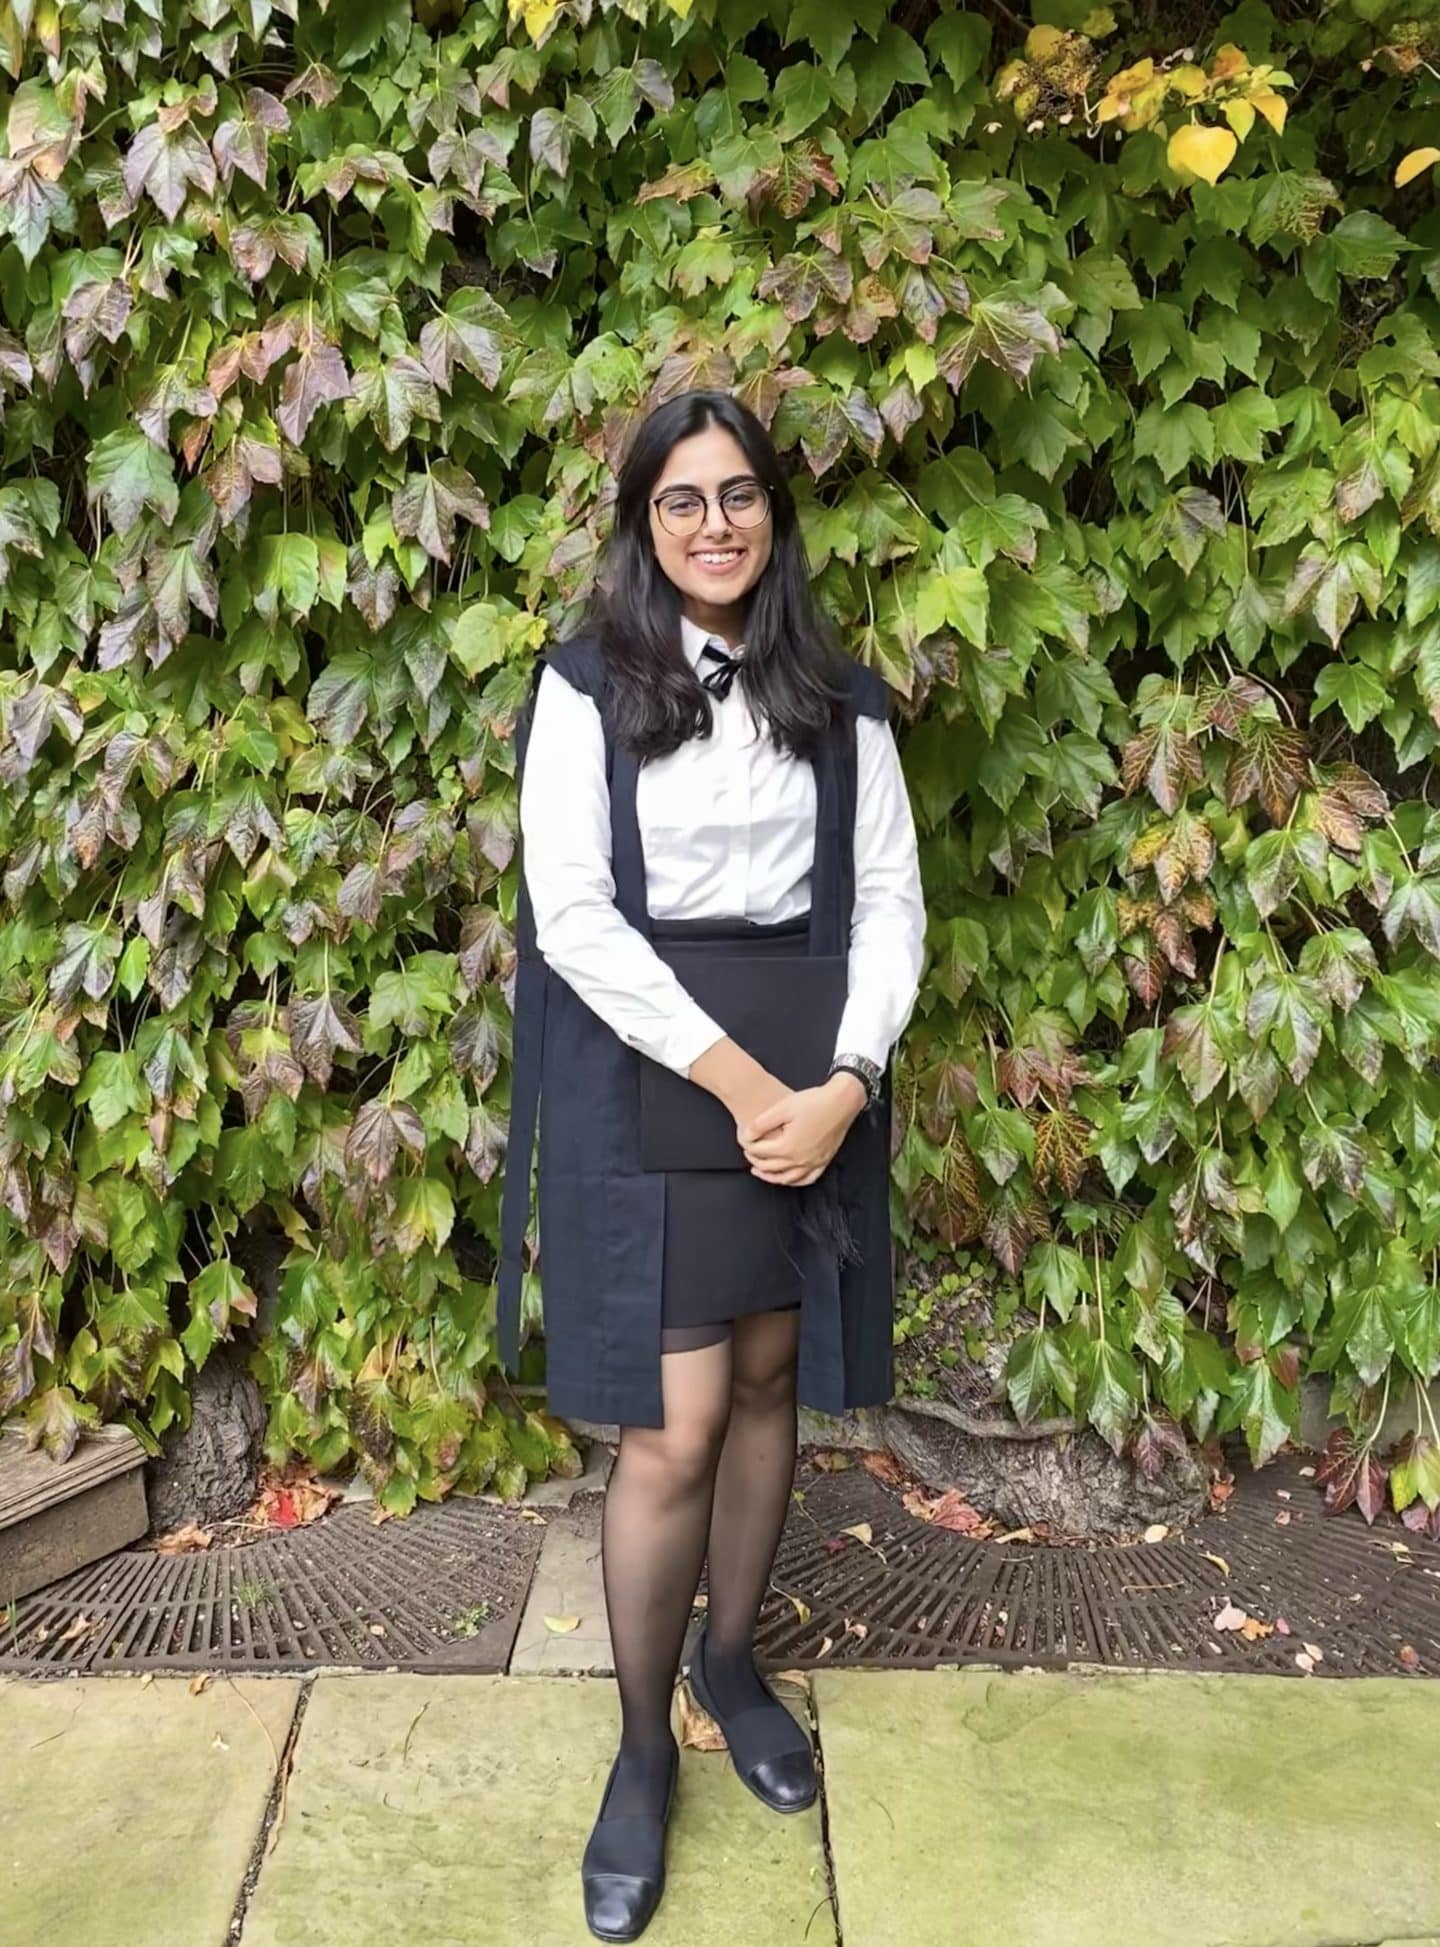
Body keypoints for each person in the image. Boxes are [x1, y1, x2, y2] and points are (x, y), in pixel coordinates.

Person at [498, 388, 925, 1941]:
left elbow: (890, 908)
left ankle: (729, 1665)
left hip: (813, 1090)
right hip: (657, 1078)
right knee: (670, 1430)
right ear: (643, 522)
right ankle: (634, 1751)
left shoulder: (844, 702)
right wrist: (752, 1084)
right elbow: (579, 920)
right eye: (684, 502)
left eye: (740, 495)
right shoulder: (580, 688)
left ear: (774, 513)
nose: (717, 525)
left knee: (763, 1386)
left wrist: (845, 1084)